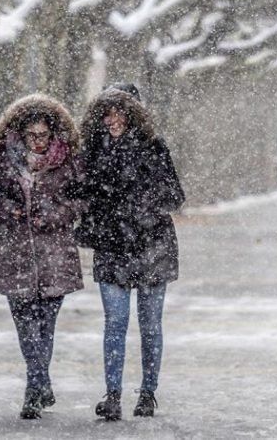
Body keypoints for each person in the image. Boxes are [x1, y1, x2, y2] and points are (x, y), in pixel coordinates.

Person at [75, 87, 185, 421]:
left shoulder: (154, 147)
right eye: (106, 113)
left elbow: (174, 196)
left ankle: (148, 394)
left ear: (133, 113)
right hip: (112, 247)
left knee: (150, 325)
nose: (112, 120)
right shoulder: (92, 150)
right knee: (115, 323)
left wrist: (141, 203)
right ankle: (112, 395)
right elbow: (80, 192)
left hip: (152, 246)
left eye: (119, 112)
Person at [0, 94, 84, 419]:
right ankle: (38, 383)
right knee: (25, 327)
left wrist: (56, 213)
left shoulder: (68, 161)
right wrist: (7, 209)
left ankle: (35, 387)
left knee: (45, 326)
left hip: (55, 255)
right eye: (31, 135)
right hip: (15, 255)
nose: (38, 142)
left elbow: (83, 199)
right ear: (20, 134)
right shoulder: (2, 161)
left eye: (43, 135)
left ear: (53, 134)